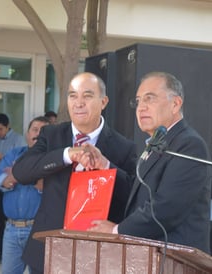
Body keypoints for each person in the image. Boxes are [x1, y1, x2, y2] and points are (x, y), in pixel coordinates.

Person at [11, 72, 138, 273]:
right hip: (49, 248)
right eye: (72, 95)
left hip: (99, 253)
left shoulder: (124, 147)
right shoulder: (51, 135)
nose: (78, 103)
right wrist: (67, 155)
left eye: (87, 96)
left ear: (103, 102)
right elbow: (21, 172)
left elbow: (133, 195)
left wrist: (106, 166)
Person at [89, 71, 212, 254]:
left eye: (150, 99)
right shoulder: (159, 140)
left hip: (175, 260)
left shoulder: (188, 145)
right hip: (148, 257)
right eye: (138, 101)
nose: (141, 107)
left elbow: (167, 207)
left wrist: (116, 231)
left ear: (175, 104)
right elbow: (140, 193)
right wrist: (106, 166)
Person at [0, 116, 50, 274]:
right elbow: (2, 181)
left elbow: (46, 187)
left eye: (43, 131)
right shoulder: (14, 154)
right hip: (11, 229)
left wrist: (18, 174)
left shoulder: (53, 160)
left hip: (39, 230)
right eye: (34, 130)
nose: (38, 134)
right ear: (27, 134)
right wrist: (34, 176)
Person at [0, 113, 26, 263]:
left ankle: (14, 253)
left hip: (13, 185)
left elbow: (21, 161)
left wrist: (1, 157)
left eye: (0, 129)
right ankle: (1, 252)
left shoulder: (18, 140)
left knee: (10, 219)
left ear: (7, 126)